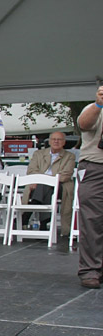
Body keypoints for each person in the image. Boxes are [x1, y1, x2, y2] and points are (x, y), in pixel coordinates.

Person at [22, 131, 76, 237]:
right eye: (54, 139)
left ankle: (26, 215)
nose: (56, 141)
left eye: (59, 139)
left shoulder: (69, 156)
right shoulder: (39, 154)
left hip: (60, 185)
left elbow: (66, 174)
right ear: (49, 141)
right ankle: (44, 223)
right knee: (44, 187)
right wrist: (39, 180)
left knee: (44, 185)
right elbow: (32, 170)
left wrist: (45, 179)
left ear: (64, 142)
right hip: (39, 186)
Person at [76, 86, 103, 289]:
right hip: (95, 168)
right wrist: (99, 103)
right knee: (92, 220)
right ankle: (90, 270)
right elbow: (84, 124)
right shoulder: (93, 108)